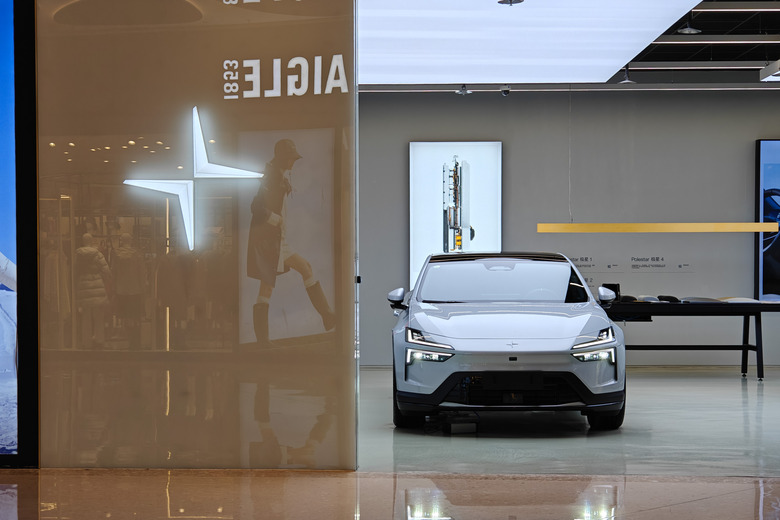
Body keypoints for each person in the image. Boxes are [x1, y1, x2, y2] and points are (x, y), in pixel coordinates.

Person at [246, 139, 335, 345]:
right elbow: (256, 207)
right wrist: (275, 219)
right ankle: (263, 342)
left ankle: (327, 316)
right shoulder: (271, 177)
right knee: (269, 287)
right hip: (271, 242)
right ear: (282, 158)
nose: (293, 162)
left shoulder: (277, 175)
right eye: (291, 158)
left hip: (277, 240)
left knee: (303, 269)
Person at [74, 233, 112, 349]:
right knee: (98, 316)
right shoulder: (98, 254)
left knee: (85, 317)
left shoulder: (78, 254)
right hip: (97, 286)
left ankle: (86, 341)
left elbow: (74, 271)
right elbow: (106, 271)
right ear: (92, 241)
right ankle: (99, 339)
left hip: (83, 287)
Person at [111, 233, 146, 349]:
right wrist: (143, 286)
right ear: (130, 241)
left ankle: (129, 339)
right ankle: (136, 341)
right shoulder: (137, 254)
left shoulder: (116, 254)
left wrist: (114, 287)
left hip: (121, 289)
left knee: (125, 315)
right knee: (135, 315)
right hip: (135, 289)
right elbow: (142, 272)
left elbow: (113, 272)